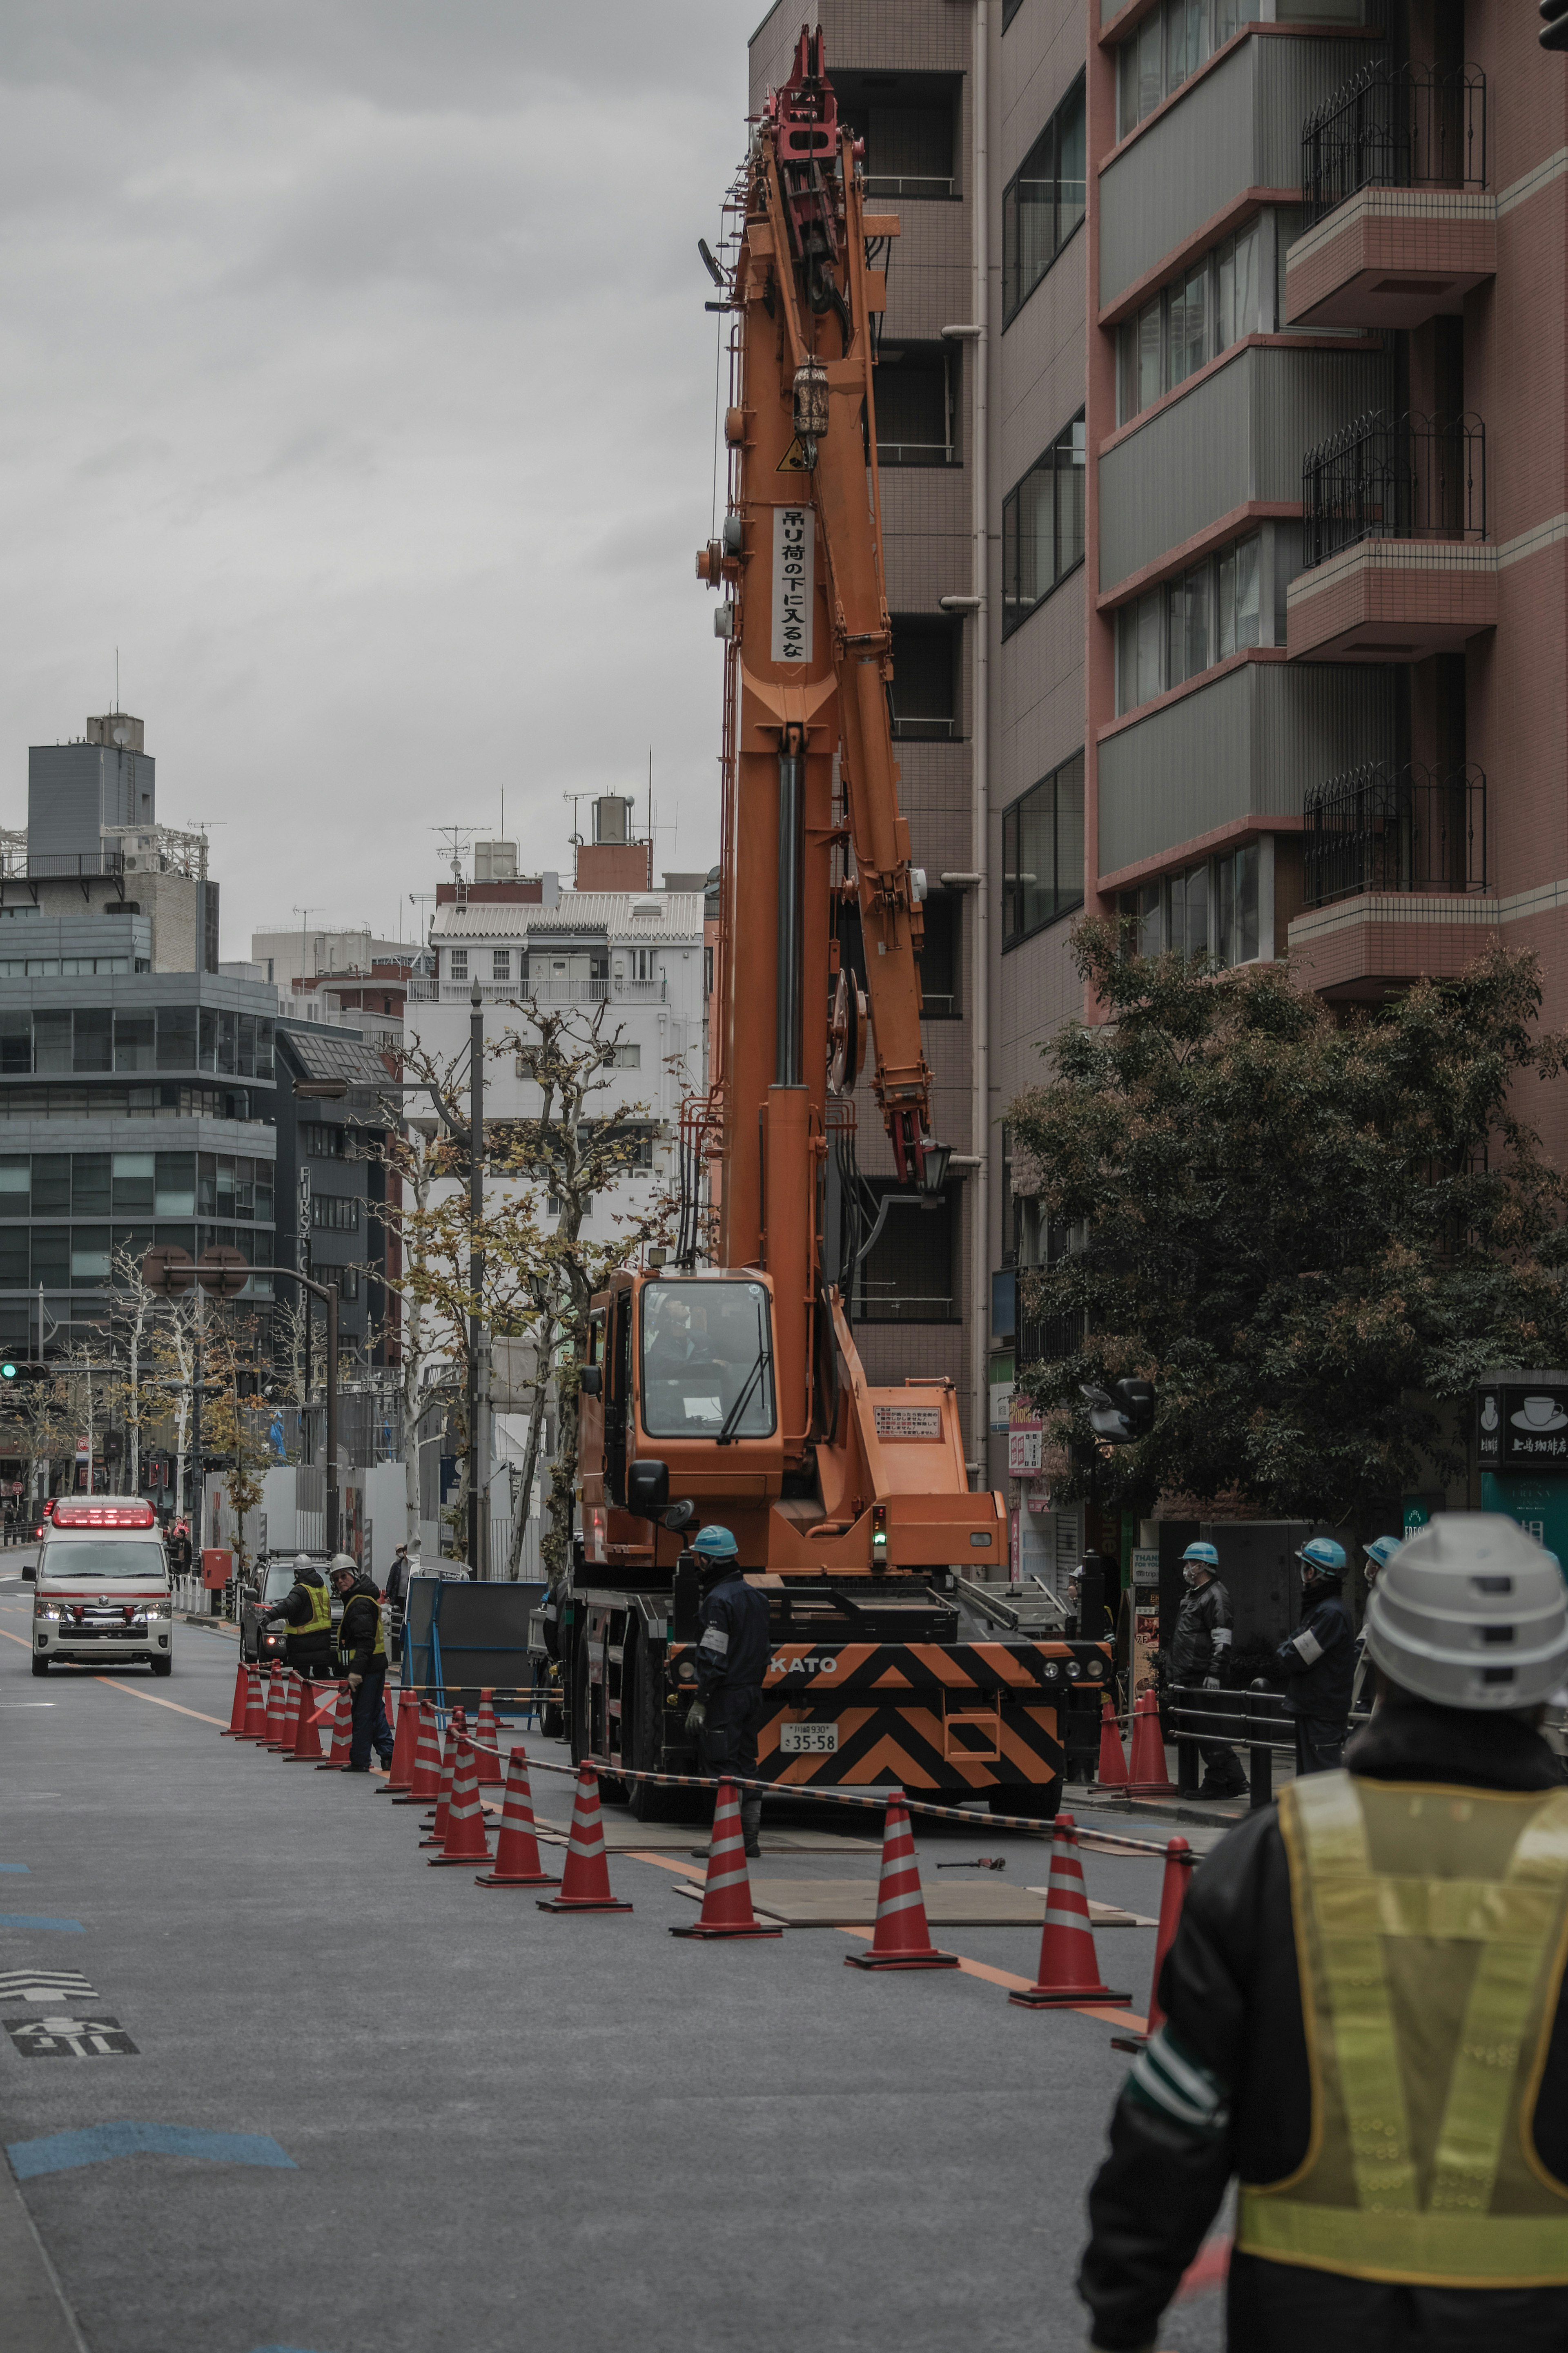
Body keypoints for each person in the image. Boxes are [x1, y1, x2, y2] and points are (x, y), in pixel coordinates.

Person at [1079, 1512, 1568, 2353]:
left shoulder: (1276, 1855)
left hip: (1304, 2317)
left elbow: (1175, 2120)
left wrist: (1124, 2309)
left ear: (1386, 1660)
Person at [684, 1523, 770, 1856]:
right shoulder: (757, 1598)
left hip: (725, 1696)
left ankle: (726, 1841)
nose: (697, 1564)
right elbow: (764, 1651)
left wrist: (702, 1700)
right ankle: (749, 1839)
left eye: (699, 1557)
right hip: (752, 1693)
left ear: (709, 1560)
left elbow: (713, 1655)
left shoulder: (718, 1602)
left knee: (723, 1766)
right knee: (748, 1763)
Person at [1169, 1541, 1247, 1798]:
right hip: (1190, 1675)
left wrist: (1214, 1674)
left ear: (1201, 1566)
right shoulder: (1196, 1594)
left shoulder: (1216, 1596)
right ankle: (1233, 1779)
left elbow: (1223, 1640)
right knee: (1204, 1732)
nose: (1186, 1568)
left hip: (1202, 1676)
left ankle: (1220, 1781)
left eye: (1189, 1563)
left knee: (1209, 1731)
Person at [1276, 1534, 1354, 1775]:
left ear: (1311, 1573)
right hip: (1315, 1710)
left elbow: (1292, 1655)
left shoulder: (1329, 1614)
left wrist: (1288, 1647)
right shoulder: (1323, 1610)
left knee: (1322, 1783)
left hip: (1321, 1714)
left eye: (1304, 1567)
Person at [328, 1553, 395, 1772]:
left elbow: (365, 1643)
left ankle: (360, 1760)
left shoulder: (359, 1604)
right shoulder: (361, 1599)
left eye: (344, 1576)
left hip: (367, 1668)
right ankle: (388, 1755)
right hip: (373, 1667)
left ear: (354, 1575)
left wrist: (355, 1672)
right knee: (374, 1712)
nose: (340, 1581)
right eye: (337, 1579)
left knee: (363, 1715)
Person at [255, 1551, 335, 1682]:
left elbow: (287, 1606)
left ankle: (303, 1702)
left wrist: (270, 1615)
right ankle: (321, 1702)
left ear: (297, 1573)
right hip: (323, 1642)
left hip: (304, 1645)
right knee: (322, 1678)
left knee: (300, 1681)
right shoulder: (323, 1588)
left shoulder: (301, 1590)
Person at [1351, 1532, 1402, 1712]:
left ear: (1377, 1570)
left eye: (1372, 1562)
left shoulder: (1382, 1603)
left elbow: (1363, 1645)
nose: (1368, 1567)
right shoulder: (1394, 1598)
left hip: (1378, 1693)